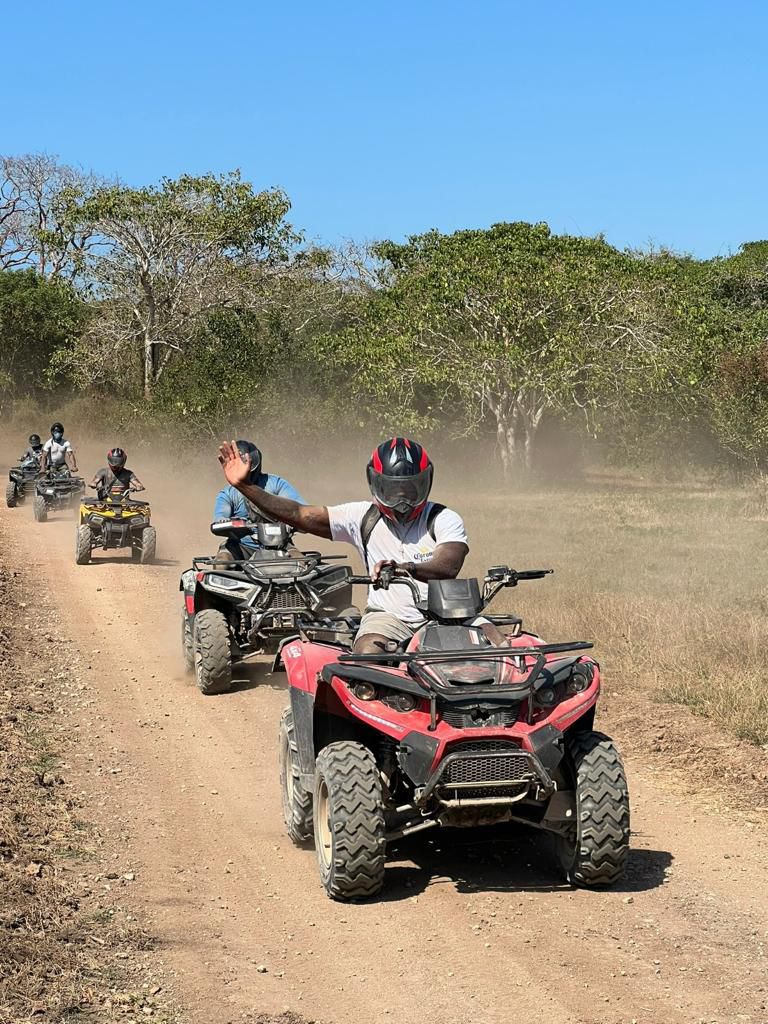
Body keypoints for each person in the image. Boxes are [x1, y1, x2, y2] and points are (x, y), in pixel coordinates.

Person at [217, 436, 469, 652]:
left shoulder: (442, 517)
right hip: (388, 619)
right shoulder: (360, 517)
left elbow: (449, 564)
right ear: (376, 484)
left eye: (410, 488)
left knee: (498, 644)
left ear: (426, 482)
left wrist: (405, 567)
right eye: (393, 489)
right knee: (368, 653)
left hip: (446, 615)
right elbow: (300, 514)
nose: (402, 498)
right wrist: (244, 486)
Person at [213, 440, 305, 561]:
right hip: (240, 546)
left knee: (301, 563)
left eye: (247, 465)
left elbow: (301, 509)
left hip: (280, 545)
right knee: (221, 563)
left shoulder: (276, 484)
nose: (244, 471)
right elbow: (220, 517)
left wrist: (293, 521)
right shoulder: (228, 494)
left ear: (255, 464)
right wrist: (226, 523)